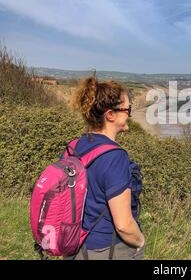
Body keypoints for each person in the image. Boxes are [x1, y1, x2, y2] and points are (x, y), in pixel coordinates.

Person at [68, 75, 145, 260]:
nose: (130, 114)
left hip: (74, 244)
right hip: (106, 249)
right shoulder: (115, 157)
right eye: (128, 109)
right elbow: (123, 225)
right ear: (110, 115)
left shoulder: (75, 146)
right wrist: (140, 242)